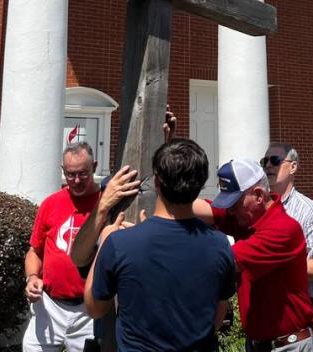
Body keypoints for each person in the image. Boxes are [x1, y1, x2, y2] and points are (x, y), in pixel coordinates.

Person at [83, 139, 236, 351]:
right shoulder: (220, 245)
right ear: (201, 185)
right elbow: (216, 319)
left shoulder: (120, 244)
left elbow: (94, 307)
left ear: (157, 182)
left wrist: (105, 240)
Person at [22, 141, 140, 352]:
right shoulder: (50, 203)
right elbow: (34, 251)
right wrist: (32, 277)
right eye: (70, 174)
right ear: (63, 171)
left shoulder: (108, 202)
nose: (76, 180)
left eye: (83, 174)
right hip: (49, 306)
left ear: (94, 166)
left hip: (88, 309)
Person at [194, 157, 313, 352]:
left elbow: (219, 262)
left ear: (259, 195)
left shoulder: (282, 230)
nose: (230, 211)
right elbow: (195, 208)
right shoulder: (245, 217)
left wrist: (150, 247)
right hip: (260, 343)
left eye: (234, 204)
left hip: (290, 346)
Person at [262, 143, 313, 330]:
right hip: (263, 311)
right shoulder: (258, 207)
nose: (268, 165)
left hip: (298, 313)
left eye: (275, 160)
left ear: (293, 167)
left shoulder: (310, 212)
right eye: (265, 161)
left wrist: (274, 263)